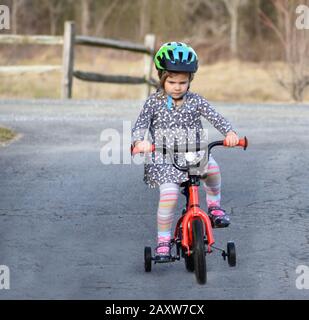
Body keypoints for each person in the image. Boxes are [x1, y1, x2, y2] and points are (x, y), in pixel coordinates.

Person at [131, 42, 239, 259]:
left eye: (183, 82)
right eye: (172, 81)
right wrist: (138, 142)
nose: (177, 87)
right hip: (164, 158)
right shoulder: (154, 103)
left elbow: (215, 117)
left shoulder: (195, 100)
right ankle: (163, 240)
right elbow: (140, 125)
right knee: (169, 196)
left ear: (190, 80)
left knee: (212, 168)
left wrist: (229, 133)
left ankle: (215, 207)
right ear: (162, 78)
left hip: (193, 154)